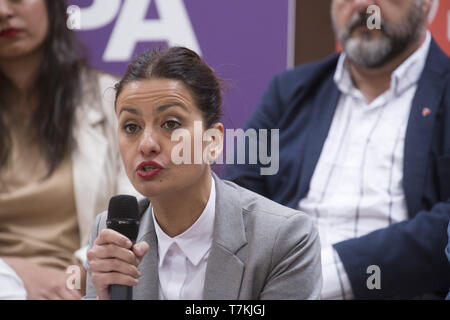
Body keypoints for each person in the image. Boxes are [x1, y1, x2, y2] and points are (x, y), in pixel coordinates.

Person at [225, 0, 450, 299]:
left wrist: (328, 273)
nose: (362, 6)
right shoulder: (290, 91)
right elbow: (237, 196)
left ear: (427, 6)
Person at [84, 46, 322, 300]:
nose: (146, 144)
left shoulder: (284, 239)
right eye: (131, 127)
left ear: (213, 141)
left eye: (171, 124)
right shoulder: (113, 233)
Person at [0, 0, 137, 299]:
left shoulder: (110, 101)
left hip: (88, 285)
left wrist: (78, 276)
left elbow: (139, 207)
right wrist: (15, 273)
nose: (3, 11)